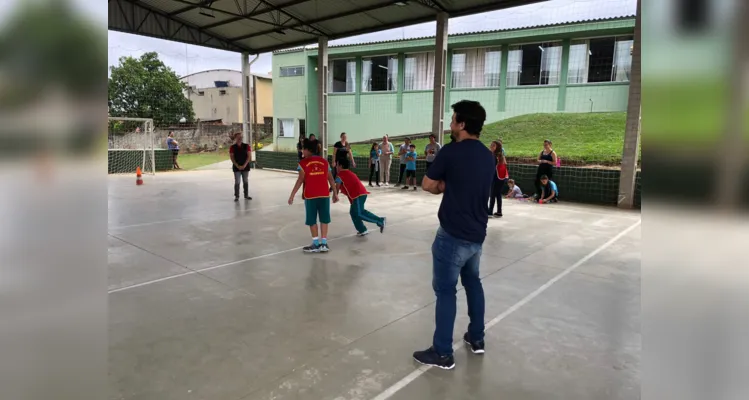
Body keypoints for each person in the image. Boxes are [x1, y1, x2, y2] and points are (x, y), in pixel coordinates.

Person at [417, 100, 494, 370]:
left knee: (446, 290)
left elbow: (427, 184)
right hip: (477, 235)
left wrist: (442, 186)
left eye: (452, 120)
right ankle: (476, 337)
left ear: (462, 124)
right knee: (473, 282)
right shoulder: (487, 155)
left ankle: (442, 352)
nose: (450, 124)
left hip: (452, 236)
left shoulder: (451, 151)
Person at [288, 139, 339, 253]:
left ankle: (316, 244)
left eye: (303, 149)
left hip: (311, 196)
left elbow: (300, 180)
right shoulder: (324, 162)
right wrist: (335, 193)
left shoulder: (303, 163)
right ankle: (324, 243)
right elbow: (331, 178)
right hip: (324, 195)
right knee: (324, 219)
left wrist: (292, 195)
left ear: (307, 150)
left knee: (312, 220)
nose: (302, 151)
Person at [335, 158, 386, 236]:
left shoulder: (341, 175)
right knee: (353, 213)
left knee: (359, 213)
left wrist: (335, 195)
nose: (336, 167)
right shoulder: (348, 173)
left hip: (358, 195)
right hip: (358, 195)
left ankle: (380, 220)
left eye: (337, 165)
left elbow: (337, 186)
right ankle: (362, 230)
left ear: (341, 166)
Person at [229, 133, 252, 201]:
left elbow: (249, 156)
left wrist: (244, 165)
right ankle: (237, 196)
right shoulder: (232, 147)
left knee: (245, 181)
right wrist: (237, 165)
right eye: (238, 137)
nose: (239, 138)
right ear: (235, 138)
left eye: (240, 137)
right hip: (237, 167)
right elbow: (232, 157)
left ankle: (246, 195)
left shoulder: (246, 146)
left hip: (245, 166)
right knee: (237, 182)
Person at [488, 140, 508, 217]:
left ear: (497, 147)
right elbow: (505, 164)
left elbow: (492, 167)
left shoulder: (495, 156)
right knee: (498, 194)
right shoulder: (500, 155)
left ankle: (490, 211)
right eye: (491, 145)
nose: (491, 146)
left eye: (493, 145)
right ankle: (499, 211)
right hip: (501, 177)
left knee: (493, 194)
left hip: (496, 177)